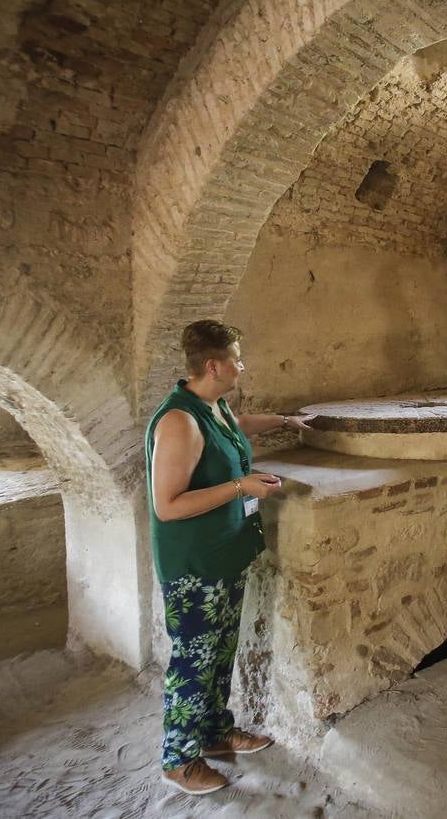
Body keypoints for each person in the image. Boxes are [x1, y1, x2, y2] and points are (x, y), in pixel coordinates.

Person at [146, 319, 311, 795]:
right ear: (214, 365)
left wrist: (283, 421)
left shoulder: (211, 406)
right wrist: (242, 485)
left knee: (219, 653)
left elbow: (236, 428)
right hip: (194, 564)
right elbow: (167, 504)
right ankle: (178, 760)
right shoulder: (178, 420)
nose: (243, 364)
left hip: (222, 553)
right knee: (193, 661)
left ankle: (215, 733)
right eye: (238, 358)